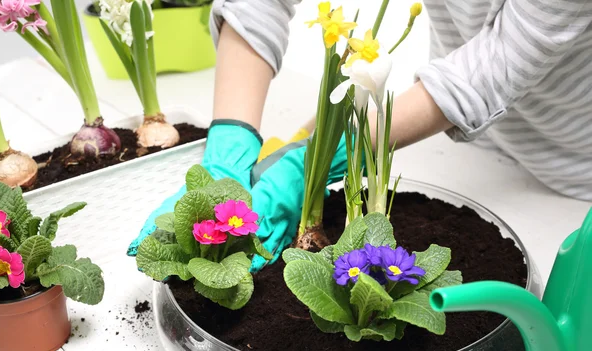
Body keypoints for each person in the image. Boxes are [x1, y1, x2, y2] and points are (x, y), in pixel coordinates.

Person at [128, 0, 592, 268]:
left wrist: (312, 160)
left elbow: (503, 59)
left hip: (572, 163)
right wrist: (230, 140)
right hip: (462, 133)